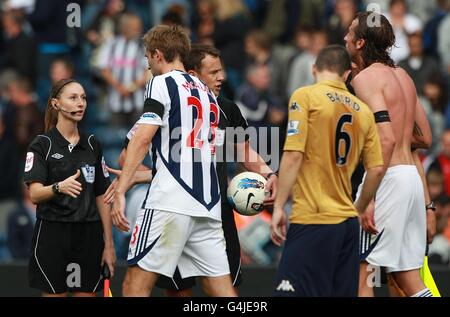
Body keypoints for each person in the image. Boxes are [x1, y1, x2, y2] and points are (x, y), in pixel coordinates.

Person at [106, 44, 279, 296]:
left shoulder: (226, 108)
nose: (222, 78)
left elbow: (242, 150)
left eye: (222, 71)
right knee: (183, 291)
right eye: (214, 72)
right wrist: (148, 175)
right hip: (188, 207)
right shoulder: (171, 98)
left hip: (216, 209)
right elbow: (129, 152)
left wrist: (268, 173)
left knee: (220, 287)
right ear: (192, 74)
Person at [110, 25, 237, 297]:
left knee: (134, 287)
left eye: (147, 59)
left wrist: (121, 189)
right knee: (222, 291)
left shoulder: (160, 83)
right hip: (208, 205)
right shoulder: (208, 95)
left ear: (157, 54)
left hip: (169, 202)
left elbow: (142, 138)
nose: (147, 66)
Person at [271, 45, 385, 297]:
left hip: (313, 218)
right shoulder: (363, 110)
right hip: (346, 226)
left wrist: (279, 206)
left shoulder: (305, 96)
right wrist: (357, 209)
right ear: (347, 75)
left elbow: (292, 154)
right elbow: (376, 169)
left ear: (314, 69)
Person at [344, 12, 435, 297]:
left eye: (349, 33)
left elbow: (385, 137)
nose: (344, 37)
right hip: (411, 180)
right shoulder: (403, 76)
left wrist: (367, 196)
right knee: (407, 278)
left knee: (364, 273)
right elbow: (425, 138)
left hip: (389, 179)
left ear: (360, 43)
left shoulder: (366, 78)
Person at [23, 78, 115, 297]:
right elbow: (34, 194)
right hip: (53, 234)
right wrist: (58, 187)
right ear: (56, 104)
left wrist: (109, 245)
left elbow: (102, 196)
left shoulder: (93, 144)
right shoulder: (42, 144)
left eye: (83, 98)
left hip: (89, 234)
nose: (80, 103)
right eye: (73, 98)